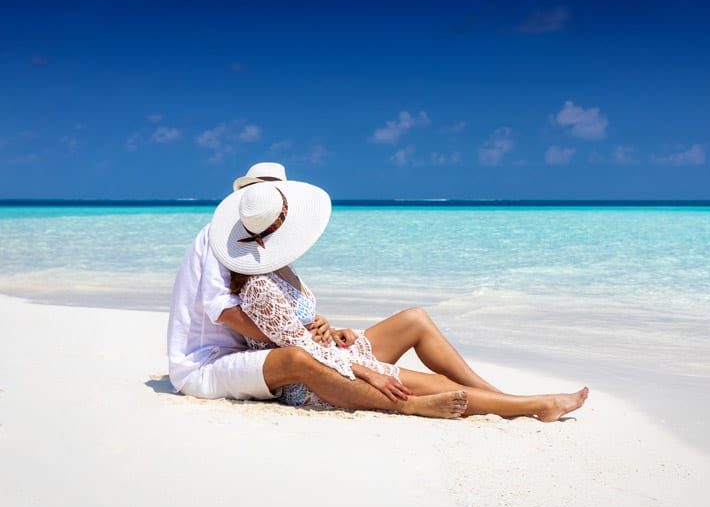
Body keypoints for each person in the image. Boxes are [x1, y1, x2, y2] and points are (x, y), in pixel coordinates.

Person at [209, 180, 589, 420]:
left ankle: (500, 398)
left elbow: (297, 326)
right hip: (313, 382)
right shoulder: (258, 285)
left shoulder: (282, 269)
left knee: (415, 319)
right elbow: (299, 352)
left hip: (333, 354)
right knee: (436, 384)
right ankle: (537, 406)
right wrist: (368, 370)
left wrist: (328, 325)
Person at [167, 162, 468, 418]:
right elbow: (224, 310)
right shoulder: (219, 237)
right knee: (299, 357)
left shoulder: (266, 245)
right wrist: (293, 336)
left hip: (263, 349)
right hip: (207, 361)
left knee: (411, 322)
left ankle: (494, 395)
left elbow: (279, 306)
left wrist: (317, 326)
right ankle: (410, 405)